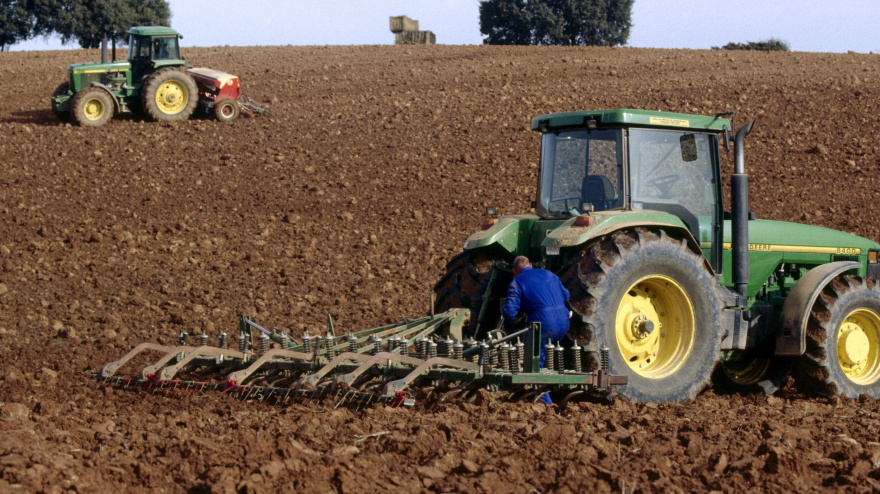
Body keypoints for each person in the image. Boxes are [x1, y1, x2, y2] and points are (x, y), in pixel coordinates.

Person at [502, 256, 570, 404]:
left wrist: (507, 327)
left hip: (543, 325)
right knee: (551, 355)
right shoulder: (549, 274)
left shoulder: (517, 281)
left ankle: (544, 401)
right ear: (530, 264)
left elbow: (509, 311)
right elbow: (566, 295)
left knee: (534, 363)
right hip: (564, 322)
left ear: (515, 271)